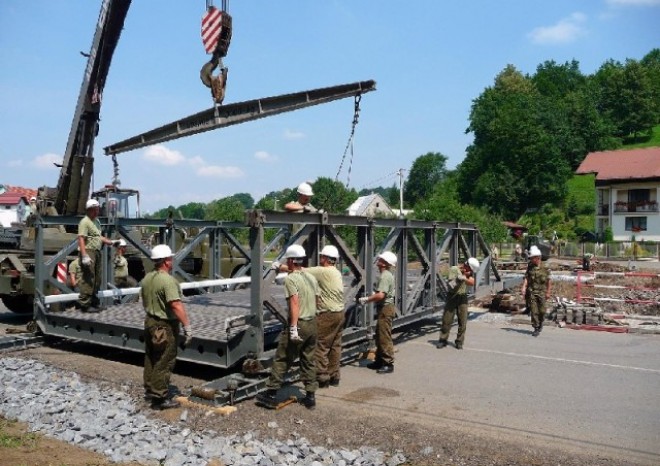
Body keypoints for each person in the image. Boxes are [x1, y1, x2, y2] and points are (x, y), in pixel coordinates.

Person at [257, 244, 319, 409]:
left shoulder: (291, 279)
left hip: (300, 324)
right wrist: (281, 267)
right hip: (313, 323)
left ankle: (270, 395)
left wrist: (293, 327)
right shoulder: (310, 277)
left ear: (291, 260)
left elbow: (294, 303)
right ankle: (310, 397)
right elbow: (317, 299)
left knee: (283, 358)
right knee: (308, 359)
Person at [141, 244, 192, 410]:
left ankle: (150, 389)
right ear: (165, 261)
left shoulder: (147, 278)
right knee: (165, 359)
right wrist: (187, 326)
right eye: (170, 258)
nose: (172, 260)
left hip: (150, 321)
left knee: (151, 357)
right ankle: (159, 397)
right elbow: (176, 305)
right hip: (164, 325)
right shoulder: (168, 281)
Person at [77, 199, 120, 312]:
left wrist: (111, 242)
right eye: (94, 210)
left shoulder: (96, 221)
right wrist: (84, 255)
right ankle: (85, 304)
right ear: (89, 210)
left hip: (96, 251)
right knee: (89, 277)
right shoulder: (85, 222)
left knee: (97, 278)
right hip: (88, 250)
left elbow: (98, 237)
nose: (97, 212)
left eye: (97, 209)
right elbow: (81, 238)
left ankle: (94, 302)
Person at [358, 251, 397, 374]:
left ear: (385, 263)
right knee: (380, 335)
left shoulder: (385, 275)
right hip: (384, 308)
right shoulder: (386, 274)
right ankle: (379, 360)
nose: (378, 260)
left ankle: (388, 363)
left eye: (381, 259)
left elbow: (381, 295)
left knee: (384, 336)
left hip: (386, 308)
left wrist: (367, 299)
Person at [438, 257, 479, 350]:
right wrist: (458, 278)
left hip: (463, 298)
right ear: (466, 265)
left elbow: (472, 282)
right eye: (470, 269)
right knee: (447, 320)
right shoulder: (454, 269)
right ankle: (442, 340)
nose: (470, 271)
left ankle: (459, 342)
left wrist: (464, 277)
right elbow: (451, 285)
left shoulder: (468, 273)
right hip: (452, 297)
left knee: (463, 321)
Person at [521, 245, 551, 337]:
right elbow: (527, 277)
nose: (531, 260)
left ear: (537, 258)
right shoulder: (530, 266)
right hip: (532, 291)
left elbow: (549, 281)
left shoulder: (545, 267)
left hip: (542, 292)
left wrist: (548, 292)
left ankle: (541, 322)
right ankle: (536, 327)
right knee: (534, 311)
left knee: (542, 311)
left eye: (532, 258)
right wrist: (524, 287)